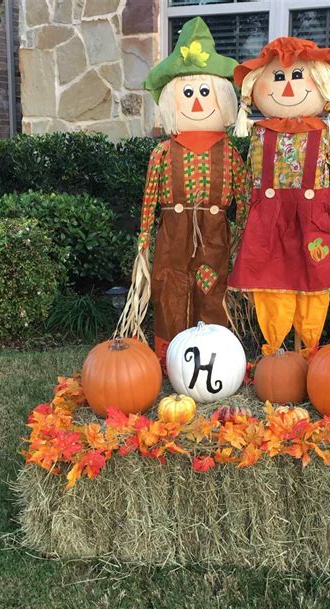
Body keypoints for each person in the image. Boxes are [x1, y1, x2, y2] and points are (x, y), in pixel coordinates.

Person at [117, 17, 247, 366]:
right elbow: (148, 200)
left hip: (215, 235)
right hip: (173, 235)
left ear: (221, 98)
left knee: (212, 289)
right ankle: (170, 357)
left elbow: (245, 198)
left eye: (205, 92)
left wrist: (243, 237)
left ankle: (214, 357)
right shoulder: (162, 153)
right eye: (187, 93)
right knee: (170, 288)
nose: (196, 101)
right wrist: (144, 240)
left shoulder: (230, 153)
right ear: (173, 102)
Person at [228, 37, 330, 358]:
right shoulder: (258, 135)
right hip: (269, 223)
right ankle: (275, 349)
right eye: (278, 77)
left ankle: (309, 347)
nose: (288, 88)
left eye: (297, 77)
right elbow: (247, 182)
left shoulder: (323, 135)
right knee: (268, 285)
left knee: (313, 286)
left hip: (312, 222)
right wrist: (240, 223)